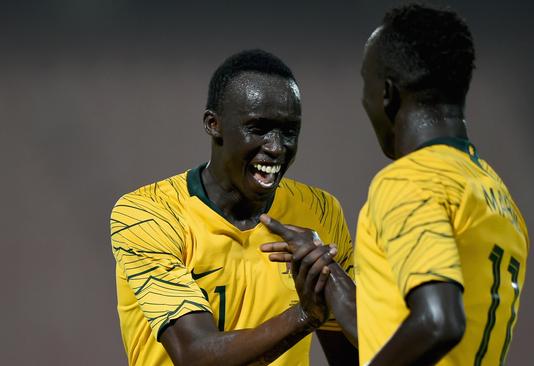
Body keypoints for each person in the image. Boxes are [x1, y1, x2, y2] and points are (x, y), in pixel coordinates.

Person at [260, 4, 529, 366]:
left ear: (387, 93)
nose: (362, 100)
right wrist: (327, 269)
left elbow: (437, 322)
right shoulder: (492, 193)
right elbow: (395, 336)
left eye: (364, 83)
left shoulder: (410, 182)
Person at [109, 49, 357, 366]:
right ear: (214, 125)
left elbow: (354, 355)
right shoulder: (147, 214)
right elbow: (194, 355)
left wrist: (334, 280)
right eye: (258, 128)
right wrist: (305, 315)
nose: (276, 147)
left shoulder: (320, 212)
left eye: (289, 131)